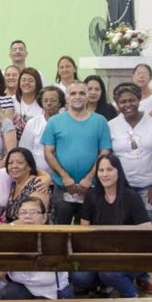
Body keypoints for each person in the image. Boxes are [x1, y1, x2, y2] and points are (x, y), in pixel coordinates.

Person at [70, 154, 151, 298]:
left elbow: (147, 231)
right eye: (101, 170)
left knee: (109, 273)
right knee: (79, 277)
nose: (105, 174)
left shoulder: (131, 197)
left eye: (109, 169)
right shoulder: (92, 196)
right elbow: (83, 230)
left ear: (118, 171)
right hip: (99, 254)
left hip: (126, 255)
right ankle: (105, 285)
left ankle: (130, 294)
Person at [42, 82, 112, 224]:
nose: (77, 97)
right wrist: (65, 177)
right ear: (67, 98)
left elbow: (104, 152)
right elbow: (48, 152)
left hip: (92, 187)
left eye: (82, 93)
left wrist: (89, 178)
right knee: (60, 230)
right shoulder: (55, 122)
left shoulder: (100, 121)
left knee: (89, 231)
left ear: (87, 97)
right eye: (73, 93)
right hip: (62, 186)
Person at [109, 82, 152, 224]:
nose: (128, 105)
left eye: (132, 100)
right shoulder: (111, 125)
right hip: (122, 188)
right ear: (117, 104)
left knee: (145, 228)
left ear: (139, 100)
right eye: (122, 101)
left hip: (148, 187)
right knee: (122, 227)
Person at [0, 197, 72, 300]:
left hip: (51, 291)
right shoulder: (11, 238)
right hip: (23, 287)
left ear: (44, 218)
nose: (27, 216)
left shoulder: (54, 239)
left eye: (33, 212)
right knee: (5, 293)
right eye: (23, 212)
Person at [19, 85, 65, 175]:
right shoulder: (33, 123)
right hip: (37, 174)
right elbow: (24, 150)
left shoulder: (67, 122)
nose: (49, 103)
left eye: (53, 100)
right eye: (45, 100)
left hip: (62, 174)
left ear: (60, 103)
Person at [3, 147, 51, 223]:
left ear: (29, 166)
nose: (14, 166)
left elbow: (32, 218)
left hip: (34, 229)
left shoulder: (38, 184)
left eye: (20, 163)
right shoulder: (13, 183)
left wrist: (7, 227)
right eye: (10, 163)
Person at [12, 67, 44, 140]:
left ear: (37, 83)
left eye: (30, 80)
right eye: (23, 80)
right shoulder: (12, 101)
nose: (26, 83)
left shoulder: (42, 104)